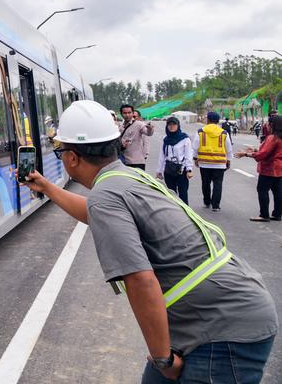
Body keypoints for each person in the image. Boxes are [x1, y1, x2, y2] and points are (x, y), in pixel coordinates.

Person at [24, 100, 277, 383]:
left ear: (72, 157)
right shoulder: (126, 176)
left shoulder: (107, 195)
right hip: (218, 312)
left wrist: (163, 359)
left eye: (60, 152)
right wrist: (46, 187)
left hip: (224, 329)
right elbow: (95, 213)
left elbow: (140, 281)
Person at [236, 114, 282, 223]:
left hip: (269, 169)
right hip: (279, 169)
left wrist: (246, 154)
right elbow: (272, 152)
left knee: (262, 190)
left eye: (268, 123)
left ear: (272, 124)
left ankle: (264, 215)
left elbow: (263, 154)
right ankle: (277, 214)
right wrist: (256, 149)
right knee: (278, 193)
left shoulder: (272, 138)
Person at [193, 111, 233, 212]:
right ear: (218, 121)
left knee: (205, 183)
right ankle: (216, 206)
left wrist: (195, 158)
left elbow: (195, 147)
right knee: (218, 184)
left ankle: (207, 201)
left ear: (208, 120)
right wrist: (228, 160)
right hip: (219, 164)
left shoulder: (200, 131)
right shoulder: (224, 133)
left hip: (204, 163)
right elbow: (229, 148)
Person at [156, 116, 194, 205]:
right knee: (171, 193)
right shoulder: (166, 140)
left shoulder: (185, 139)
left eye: (174, 124)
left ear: (178, 126)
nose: (172, 126)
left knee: (183, 192)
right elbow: (162, 156)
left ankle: (185, 212)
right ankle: (175, 212)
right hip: (168, 169)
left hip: (181, 169)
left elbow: (189, 154)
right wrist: (159, 171)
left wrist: (189, 170)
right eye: (169, 124)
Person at [120, 104, 153, 169]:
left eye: (129, 113)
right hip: (124, 162)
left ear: (132, 113)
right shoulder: (120, 127)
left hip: (137, 162)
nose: (127, 115)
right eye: (124, 113)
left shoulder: (139, 124)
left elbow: (148, 133)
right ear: (121, 114)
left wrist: (150, 129)